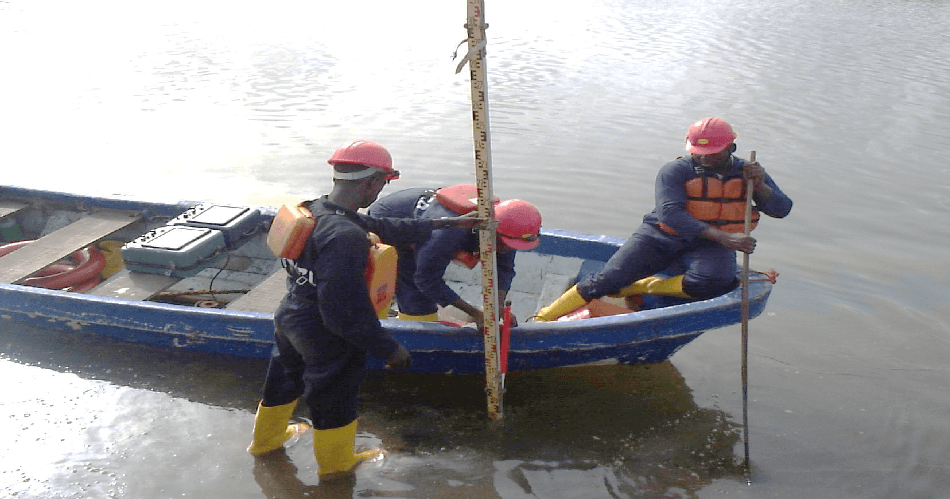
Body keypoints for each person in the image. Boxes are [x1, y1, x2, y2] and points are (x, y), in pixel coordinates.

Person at [247, 140, 481, 479]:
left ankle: (266, 442)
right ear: (370, 182)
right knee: (334, 397)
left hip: (291, 314)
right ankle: (337, 465)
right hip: (324, 332)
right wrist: (390, 348)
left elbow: (385, 227)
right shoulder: (346, 238)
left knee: (284, 378)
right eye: (383, 184)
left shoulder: (316, 209)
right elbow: (343, 315)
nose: (381, 190)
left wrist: (447, 224)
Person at [536, 117, 793, 321]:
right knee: (606, 281)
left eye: (712, 153)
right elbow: (671, 213)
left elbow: (781, 209)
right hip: (662, 235)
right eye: (699, 151)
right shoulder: (675, 170)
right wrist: (725, 238)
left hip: (707, 245)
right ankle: (543, 318)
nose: (704, 157)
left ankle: (639, 288)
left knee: (716, 283)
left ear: (731, 148)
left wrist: (760, 186)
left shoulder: (749, 173)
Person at [367, 185, 542, 327]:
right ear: (490, 231)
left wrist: (498, 306)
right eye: (502, 244)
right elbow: (426, 280)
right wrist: (474, 313)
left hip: (425, 220)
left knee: (428, 271)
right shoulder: (449, 234)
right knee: (417, 300)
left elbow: (504, 268)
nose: (505, 249)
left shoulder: (505, 227)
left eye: (510, 246)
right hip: (390, 222)